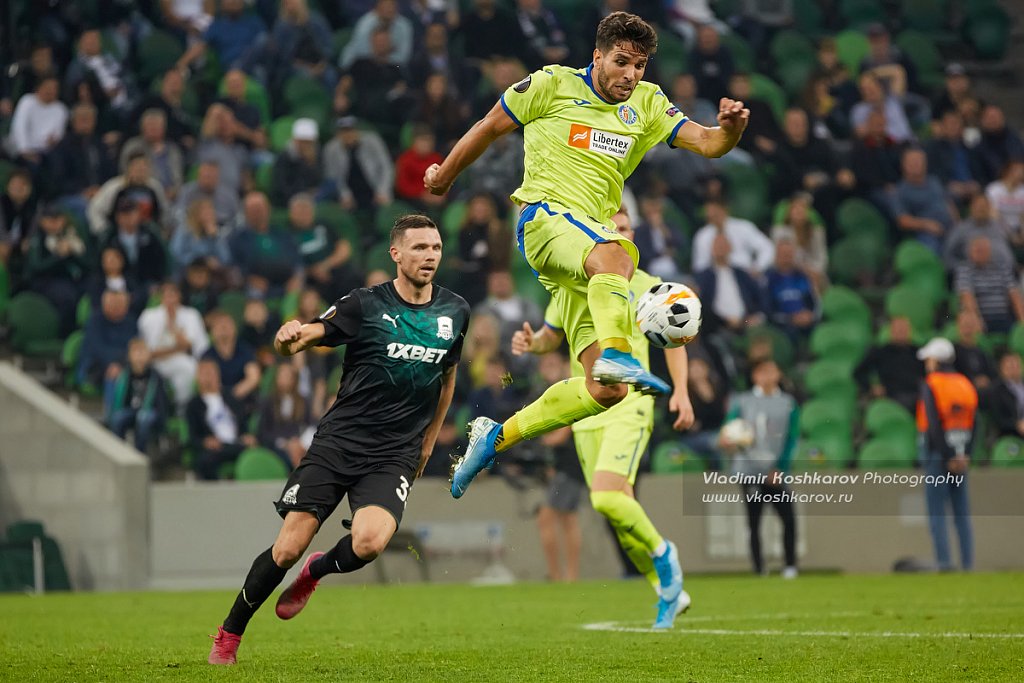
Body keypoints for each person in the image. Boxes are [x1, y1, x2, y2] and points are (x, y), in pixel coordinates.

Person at [424, 13, 747, 535]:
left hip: (585, 260)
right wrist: (443, 175)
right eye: (621, 62)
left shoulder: (648, 103)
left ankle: (495, 436)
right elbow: (488, 127)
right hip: (544, 220)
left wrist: (731, 130)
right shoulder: (550, 85)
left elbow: (708, 143)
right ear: (597, 56)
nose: (630, 74)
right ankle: (621, 352)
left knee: (605, 392)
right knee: (621, 254)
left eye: (639, 65)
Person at [207, 215, 470, 665]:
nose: (430, 256)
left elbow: (448, 378)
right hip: (340, 442)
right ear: (396, 254)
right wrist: (288, 338)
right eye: (420, 248)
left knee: (369, 542)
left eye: (436, 248)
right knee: (288, 546)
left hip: (394, 452)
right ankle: (229, 634)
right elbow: (309, 335)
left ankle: (316, 572)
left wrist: (427, 442)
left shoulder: (455, 311)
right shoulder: (365, 304)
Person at [510, 206, 695, 627]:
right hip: (587, 411)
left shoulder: (650, 288)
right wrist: (531, 342)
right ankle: (667, 591)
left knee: (605, 497)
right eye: (612, 228)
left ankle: (666, 554)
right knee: (616, 511)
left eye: (626, 229)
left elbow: (677, 340)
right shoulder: (575, 281)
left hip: (630, 405)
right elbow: (550, 337)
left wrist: (681, 391)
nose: (619, 234)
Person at [721, 359, 800, 578]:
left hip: (774, 471)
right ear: (755, 376)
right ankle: (759, 568)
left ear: (778, 374)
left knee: (788, 518)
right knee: (754, 520)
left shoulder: (787, 403)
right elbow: (728, 430)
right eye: (762, 371)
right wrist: (726, 440)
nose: (767, 376)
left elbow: (792, 438)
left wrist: (780, 469)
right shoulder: (742, 401)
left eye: (772, 371)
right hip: (748, 471)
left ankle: (790, 566)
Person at [915, 337, 977, 572]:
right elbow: (975, 422)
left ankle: (944, 562)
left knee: (937, 512)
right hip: (962, 453)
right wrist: (964, 453)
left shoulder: (932, 384)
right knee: (962, 513)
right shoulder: (965, 383)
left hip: (937, 454)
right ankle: (968, 563)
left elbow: (933, 423)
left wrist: (947, 454)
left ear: (937, 360)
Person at [104, 338, 170, 456]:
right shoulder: (125, 376)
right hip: (131, 410)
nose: (139, 356)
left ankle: (139, 454)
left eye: (142, 352)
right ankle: (118, 453)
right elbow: (118, 401)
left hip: (150, 411)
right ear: (129, 356)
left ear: (149, 355)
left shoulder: (155, 377)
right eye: (135, 352)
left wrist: (162, 423)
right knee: (118, 417)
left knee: (143, 418)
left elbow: (161, 404)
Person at [853, 316, 924, 413]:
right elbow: (858, 372)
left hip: (918, 396)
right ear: (891, 331)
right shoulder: (881, 352)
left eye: (903, 329)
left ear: (909, 331)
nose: (900, 332)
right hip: (892, 397)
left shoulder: (919, 352)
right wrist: (872, 387)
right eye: (897, 329)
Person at [986, 351, 1024, 439]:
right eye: (1010, 366)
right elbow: (998, 418)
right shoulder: (996, 390)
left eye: (1016, 364)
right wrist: (1016, 425)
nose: (1014, 368)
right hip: (1011, 433)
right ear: (1001, 369)